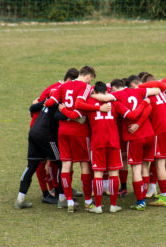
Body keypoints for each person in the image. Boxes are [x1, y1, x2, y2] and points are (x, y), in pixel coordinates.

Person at [62, 81, 149, 213]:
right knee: (114, 172)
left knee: (98, 173)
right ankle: (113, 205)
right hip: (114, 141)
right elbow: (129, 114)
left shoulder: (89, 103)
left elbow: (77, 111)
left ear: (95, 93)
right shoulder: (114, 103)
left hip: (97, 142)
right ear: (107, 92)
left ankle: (97, 206)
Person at [45, 66, 111, 212]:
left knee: (66, 165)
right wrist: (98, 109)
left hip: (63, 131)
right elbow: (79, 106)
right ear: (88, 76)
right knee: (85, 165)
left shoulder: (63, 86)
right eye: (91, 79)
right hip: (79, 132)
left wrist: (58, 106)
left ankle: (68, 201)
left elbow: (49, 102)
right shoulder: (86, 87)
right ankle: (88, 201)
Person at [29, 68, 80, 204]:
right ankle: (51, 190)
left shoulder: (65, 89)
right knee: (44, 161)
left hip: (53, 129)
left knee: (61, 159)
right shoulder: (56, 89)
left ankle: (62, 189)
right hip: (42, 129)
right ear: (70, 80)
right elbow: (35, 107)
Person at [14, 99, 67, 209]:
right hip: (46, 136)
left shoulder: (49, 99)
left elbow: (32, 108)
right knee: (63, 164)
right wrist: (68, 112)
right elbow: (59, 116)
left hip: (33, 133)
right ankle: (62, 198)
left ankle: (20, 199)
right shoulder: (60, 101)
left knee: (31, 166)